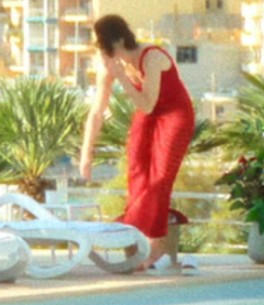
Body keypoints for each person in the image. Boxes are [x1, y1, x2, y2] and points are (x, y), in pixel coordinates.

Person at [77, 14, 196, 272]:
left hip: (174, 114)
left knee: (159, 177)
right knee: (138, 173)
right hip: (148, 113)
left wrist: (121, 76)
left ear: (118, 41)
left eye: (105, 47)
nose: (104, 55)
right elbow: (97, 111)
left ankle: (156, 248)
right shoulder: (109, 65)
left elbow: (147, 102)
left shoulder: (152, 57)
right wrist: (86, 155)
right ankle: (135, 234)